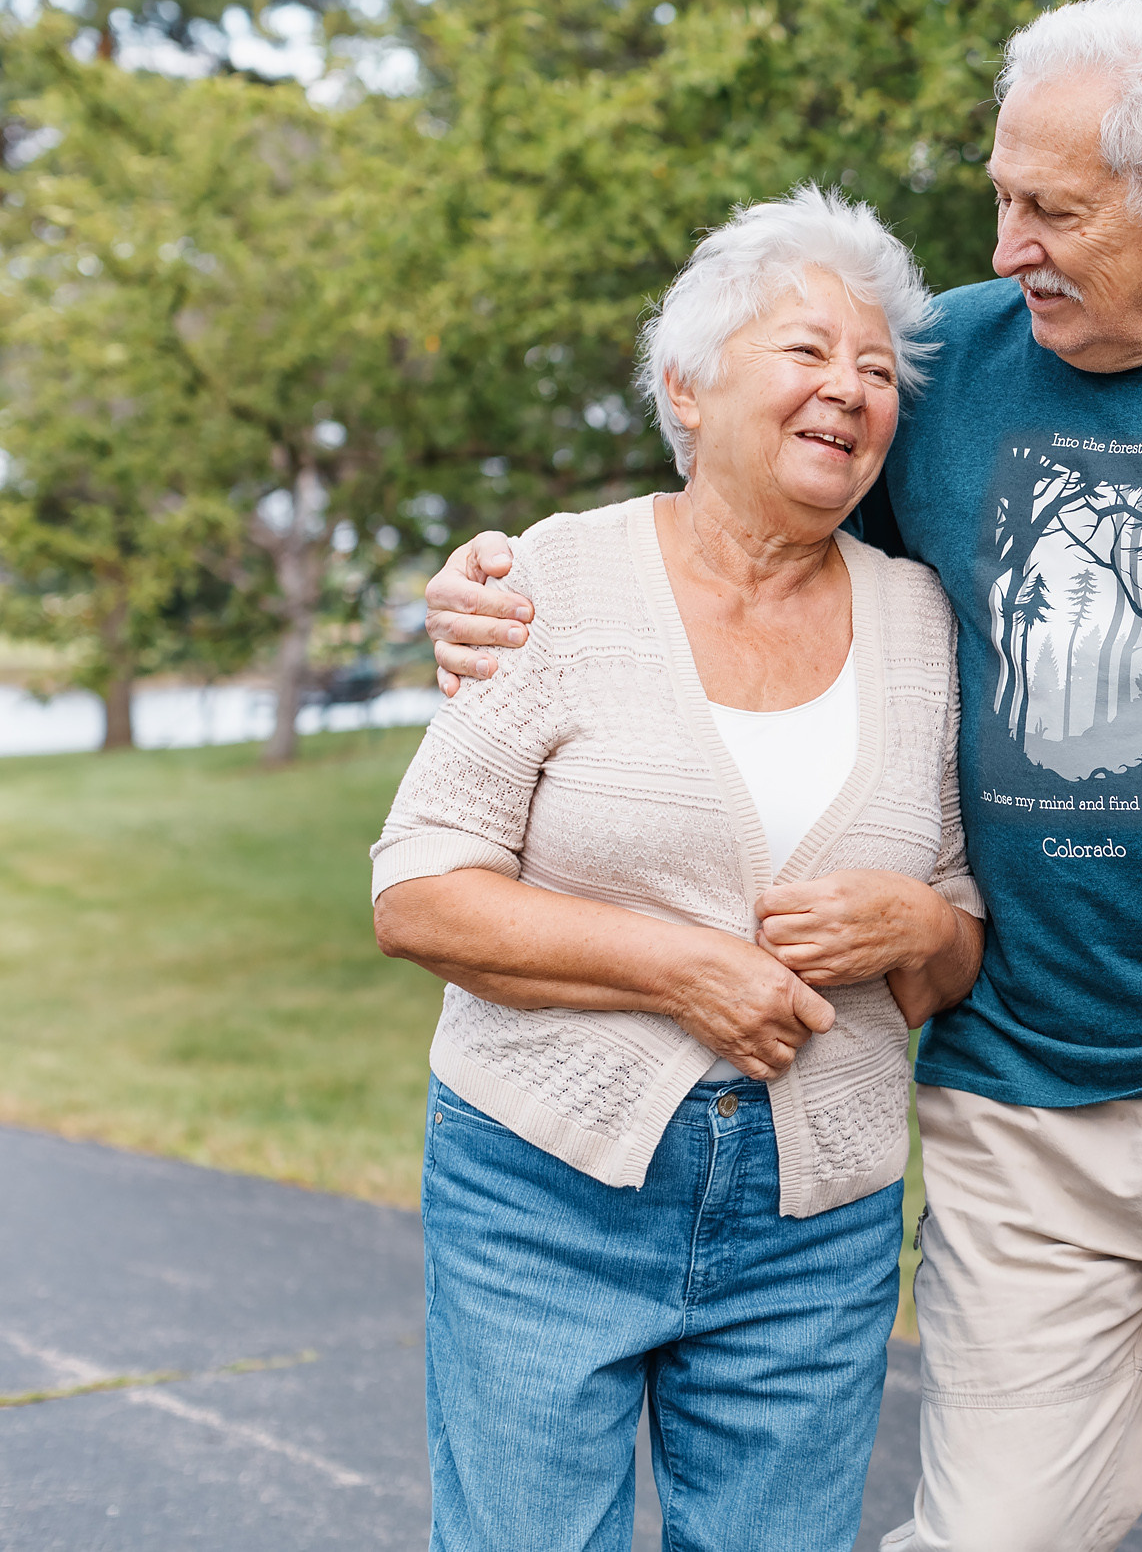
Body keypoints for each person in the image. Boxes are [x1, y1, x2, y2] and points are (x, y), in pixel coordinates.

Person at [425, 0, 1142, 1552]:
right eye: (999, 195)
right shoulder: (944, 368)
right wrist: (511, 576)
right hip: (1027, 1090)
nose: (1009, 242)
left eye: (1054, 208)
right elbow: (745, 490)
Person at [372, 186, 983, 1552]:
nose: (850, 390)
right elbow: (417, 891)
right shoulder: (549, 584)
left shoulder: (922, 621)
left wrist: (912, 921)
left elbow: (955, 955)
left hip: (814, 1208)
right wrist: (683, 969)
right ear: (689, 388)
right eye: (810, 352)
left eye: (878, 372)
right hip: (545, 1180)